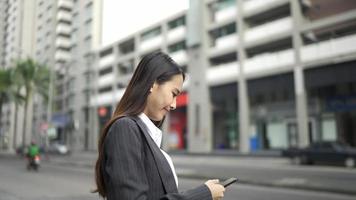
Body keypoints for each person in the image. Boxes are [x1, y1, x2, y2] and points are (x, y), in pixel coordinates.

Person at [94, 52, 226, 200]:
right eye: (173, 94)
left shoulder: (145, 134)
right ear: (152, 84)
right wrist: (202, 195)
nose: (174, 105)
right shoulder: (125, 128)